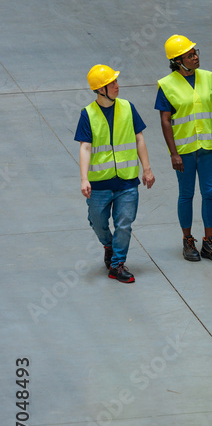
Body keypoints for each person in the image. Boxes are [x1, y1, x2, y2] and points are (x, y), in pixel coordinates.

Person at [76, 65, 155, 284]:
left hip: (127, 181)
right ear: (100, 89)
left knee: (124, 223)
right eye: (112, 83)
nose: (117, 86)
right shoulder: (87, 114)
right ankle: (108, 245)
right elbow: (85, 147)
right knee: (97, 221)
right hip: (99, 184)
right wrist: (84, 179)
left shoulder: (128, 108)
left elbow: (139, 138)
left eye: (116, 82)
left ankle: (117, 264)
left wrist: (147, 168)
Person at [156, 35, 212, 263]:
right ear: (178, 61)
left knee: (210, 193)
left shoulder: (208, 78)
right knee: (186, 195)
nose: (196, 57)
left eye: (196, 53)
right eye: (190, 55)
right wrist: (173, 153)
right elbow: (165, 121)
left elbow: (211, 109)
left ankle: (209, 242)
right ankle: (188, 241)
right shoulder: (166, 85)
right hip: (184, 151)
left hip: (207, 146)